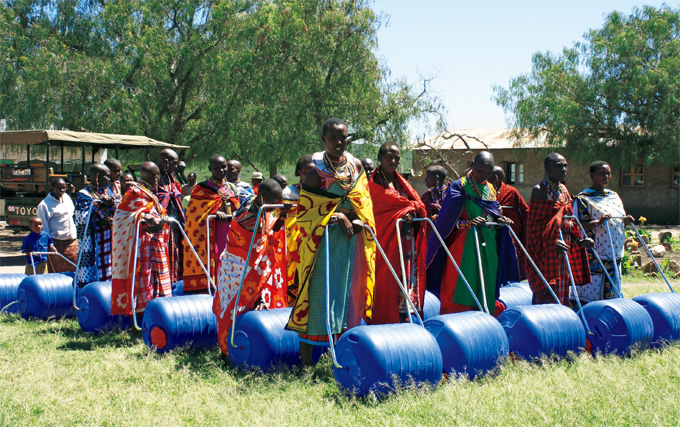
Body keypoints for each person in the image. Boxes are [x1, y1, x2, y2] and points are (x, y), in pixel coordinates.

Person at [285, 118, 376, 366]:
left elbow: (364, 202)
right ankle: (305, 366)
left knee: (350, 298)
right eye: (333, 137)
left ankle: (347, 356)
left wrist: (358, 219)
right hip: (324, 246)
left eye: (343, 137)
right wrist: (335, 216)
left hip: (352, 244)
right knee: (318, 298)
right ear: (323, 139)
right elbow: (305, 216)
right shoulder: (316, 175)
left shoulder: (356, 166)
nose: (339, 142)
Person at [426, 151, 519, 315]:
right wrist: (467, 223)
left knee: (486, 287)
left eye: (487, 173)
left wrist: (500, 221)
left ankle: (484, 323)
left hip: (488, 247)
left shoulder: (490, 188)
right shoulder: (458, 186)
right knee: (461, 285)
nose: (483, 175)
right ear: (472, 166)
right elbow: (446, 221)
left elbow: (492, 214)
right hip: (464, 246)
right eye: (480, 171)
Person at [213, 179, 288, 355]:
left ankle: (251, 349)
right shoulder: (247, 214)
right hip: (237, 268)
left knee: (253, 308)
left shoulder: (261, 208)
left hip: (252, 267)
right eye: (273, 203)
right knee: (230, 310)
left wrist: (282, 215)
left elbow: (270, 229)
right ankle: (227, 351)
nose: (275, 207)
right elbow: (263, 233)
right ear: (261, 198)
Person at [368, 143, 427, 324]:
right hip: (387, 242)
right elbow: (380, 210)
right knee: (388, 281)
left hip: (406, 243)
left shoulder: (402, 183)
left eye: (397, 158)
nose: (393, 161)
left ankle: (406, 319)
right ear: (379, 158)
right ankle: (384, 323)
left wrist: (413, 210)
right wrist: (406, 211)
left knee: (407, 279)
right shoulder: (374, 184)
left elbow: (416, 204)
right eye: (389, 157)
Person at [526, 153, 593, 305]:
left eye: (565, 165)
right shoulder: (540, 190)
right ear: (547, 168)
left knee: (562, 288)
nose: (563, 169)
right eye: (559, 166)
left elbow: (569, 220)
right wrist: (552, 241)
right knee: (547, 288)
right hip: (546, 251)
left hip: (564, 247)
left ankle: (561, 321)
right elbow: (534, 228)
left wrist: (579, 240)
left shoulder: (563, 189)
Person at [111, 162, 172, 316]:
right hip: (139, 245)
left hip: (152, 243)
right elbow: (122, 216)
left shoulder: (146, 192)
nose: (158, 178)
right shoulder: (134, 193)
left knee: (153, 278)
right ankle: (140, 316)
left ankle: (156, 313)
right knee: (143, 278)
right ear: (154, 176)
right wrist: (144, 217)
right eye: (156, 174)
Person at [574, 161, 635, 302]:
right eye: (602, 173)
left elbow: (619, 218)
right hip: (596, 253)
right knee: (596, 287)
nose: (606, 176)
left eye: (608, 173)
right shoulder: (583, 199)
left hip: (615, 252)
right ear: (592, 175)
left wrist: (626, 220)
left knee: (614, 285)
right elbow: (578, 224)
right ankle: (590, 314)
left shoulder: (614, 196)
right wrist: (598, 222)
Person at [183, 155, 241, 294]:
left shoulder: (231, 187)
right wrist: (215, 214)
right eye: (216, 168)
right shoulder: (201, 188)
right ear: (210, 169)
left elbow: (237, 206)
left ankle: (230, 289)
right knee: (217, 256)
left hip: (230, 230)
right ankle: (214, 289)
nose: (221, 170)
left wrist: (234, 214)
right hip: (211, 232)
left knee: (229, 259)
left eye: (223, 167)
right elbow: (195, 215)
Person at [74, 163, 117, 288]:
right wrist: (100, 206)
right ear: (97, 177)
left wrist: (112, 205)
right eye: (106, 176)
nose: (109, 179)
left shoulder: (109, 191)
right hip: (93, 241)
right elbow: (82, 217)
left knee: (109, 268)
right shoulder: (84, 194)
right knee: (90, 270)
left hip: (108, 240)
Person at [491, 166, 530, 281]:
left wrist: (526, 232)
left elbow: (525, 211)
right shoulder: (483, 192)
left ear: (496, 178)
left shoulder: (511, 192)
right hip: (491, 234)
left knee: (512, 259)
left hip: (511, 234)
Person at [37, 177, 78, 272]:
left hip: (72, 242)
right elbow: (44, 228)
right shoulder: (44, 205)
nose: (62, 190)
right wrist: (49, 245)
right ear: (52, 187)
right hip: (57, 244)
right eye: (59, 188)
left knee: (74, 270)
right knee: (58, 274)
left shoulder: (67, 198)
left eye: (64, 188)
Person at [157, 148, 185, 283]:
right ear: (166, 162)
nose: (176, 166)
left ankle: (174, 284)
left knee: (175, 256)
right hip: (161, 226)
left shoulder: (171, 178)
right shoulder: (155, 178)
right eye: (174, 163)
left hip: (174, 224)